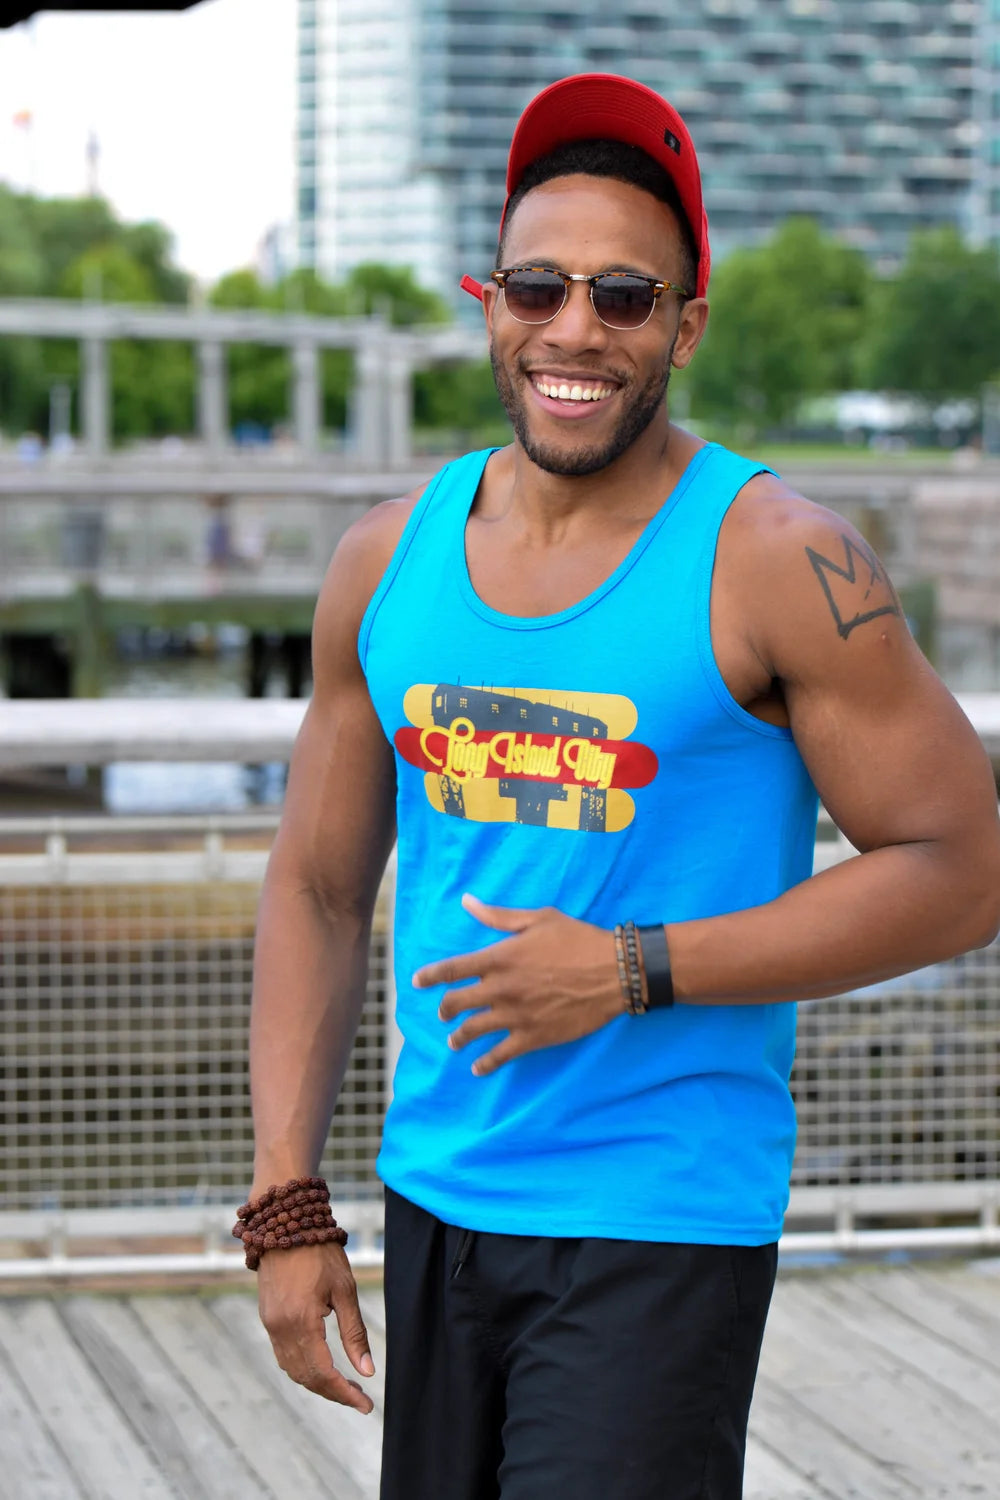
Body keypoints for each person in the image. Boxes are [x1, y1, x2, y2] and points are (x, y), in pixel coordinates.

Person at [242, 74, 1000, 1499]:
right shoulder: (384, 561)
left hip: (661, 1220)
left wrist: (636, 968)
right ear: (491, 305)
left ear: (685, 325)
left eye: (625, 295)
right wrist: (289, 1201)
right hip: (438, 1198)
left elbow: (963, 869)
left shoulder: (780, 557)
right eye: (537, 285)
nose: (574, 327)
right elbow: (320, 882)